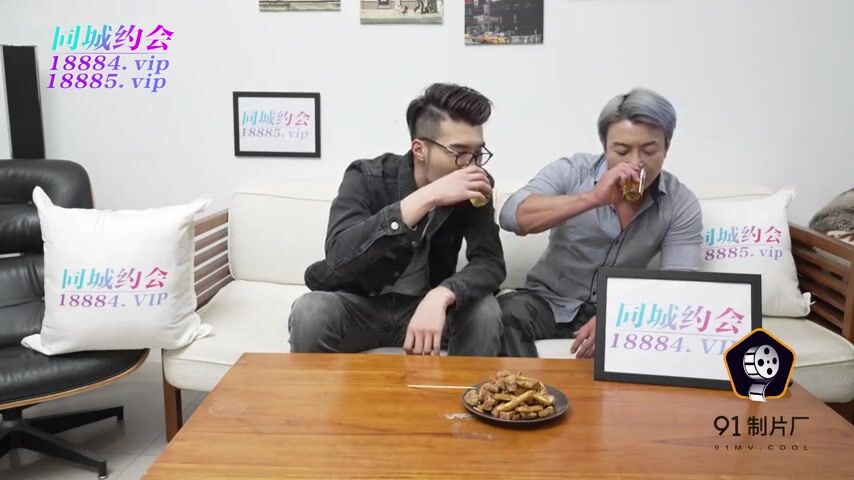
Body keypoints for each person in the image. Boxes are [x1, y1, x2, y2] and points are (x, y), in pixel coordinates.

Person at [289, 83, 505, 356]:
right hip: (360, 306)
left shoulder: (475, 184)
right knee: (310, 309)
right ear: (419, 149)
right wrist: (427, 197)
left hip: (426, 311)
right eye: (459, 153)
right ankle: (315, 386)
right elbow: (339, 255)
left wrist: (442, 294)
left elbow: (490, 261)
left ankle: (468, 386)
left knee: (485, 310)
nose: (472, 165)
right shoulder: (367, 176)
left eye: (478, 153)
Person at [498, 88, 703, 359]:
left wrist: (618, 315)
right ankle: (523, 388)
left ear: (666, 148)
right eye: (622, 150)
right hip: (548, 301)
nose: (635, 163)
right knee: (504, 315)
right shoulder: (572, 171)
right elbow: (512, 217)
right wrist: (593, 198)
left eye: (649, 150)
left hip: (622, 308)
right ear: (605, 147)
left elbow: (680, 283)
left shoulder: (680, 202)